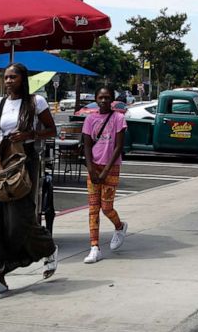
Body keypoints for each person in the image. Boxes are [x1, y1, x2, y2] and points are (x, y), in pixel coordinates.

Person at [0, 63, 59, 298]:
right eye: (6, 77)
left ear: (24, 79)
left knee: (20, 219)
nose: (9, 81)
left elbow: (51, 130)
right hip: (1, 163)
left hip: (25, 162)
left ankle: (48, 248)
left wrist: (30, 134)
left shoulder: (36, 103)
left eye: (13, 77)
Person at [80, 85, 129, 263]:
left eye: (107, 97)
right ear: (96, 99)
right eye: (100, 98)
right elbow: (86, 145)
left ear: (112, 100)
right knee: (93, 209)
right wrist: (91, 169)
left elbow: (118, 147)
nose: (103, 101)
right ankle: (94, 247)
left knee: (106, 207)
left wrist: (105, 171)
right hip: (94, 167)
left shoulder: (118, 118)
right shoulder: (90, 119)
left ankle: (120, 226)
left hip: (111, 167)